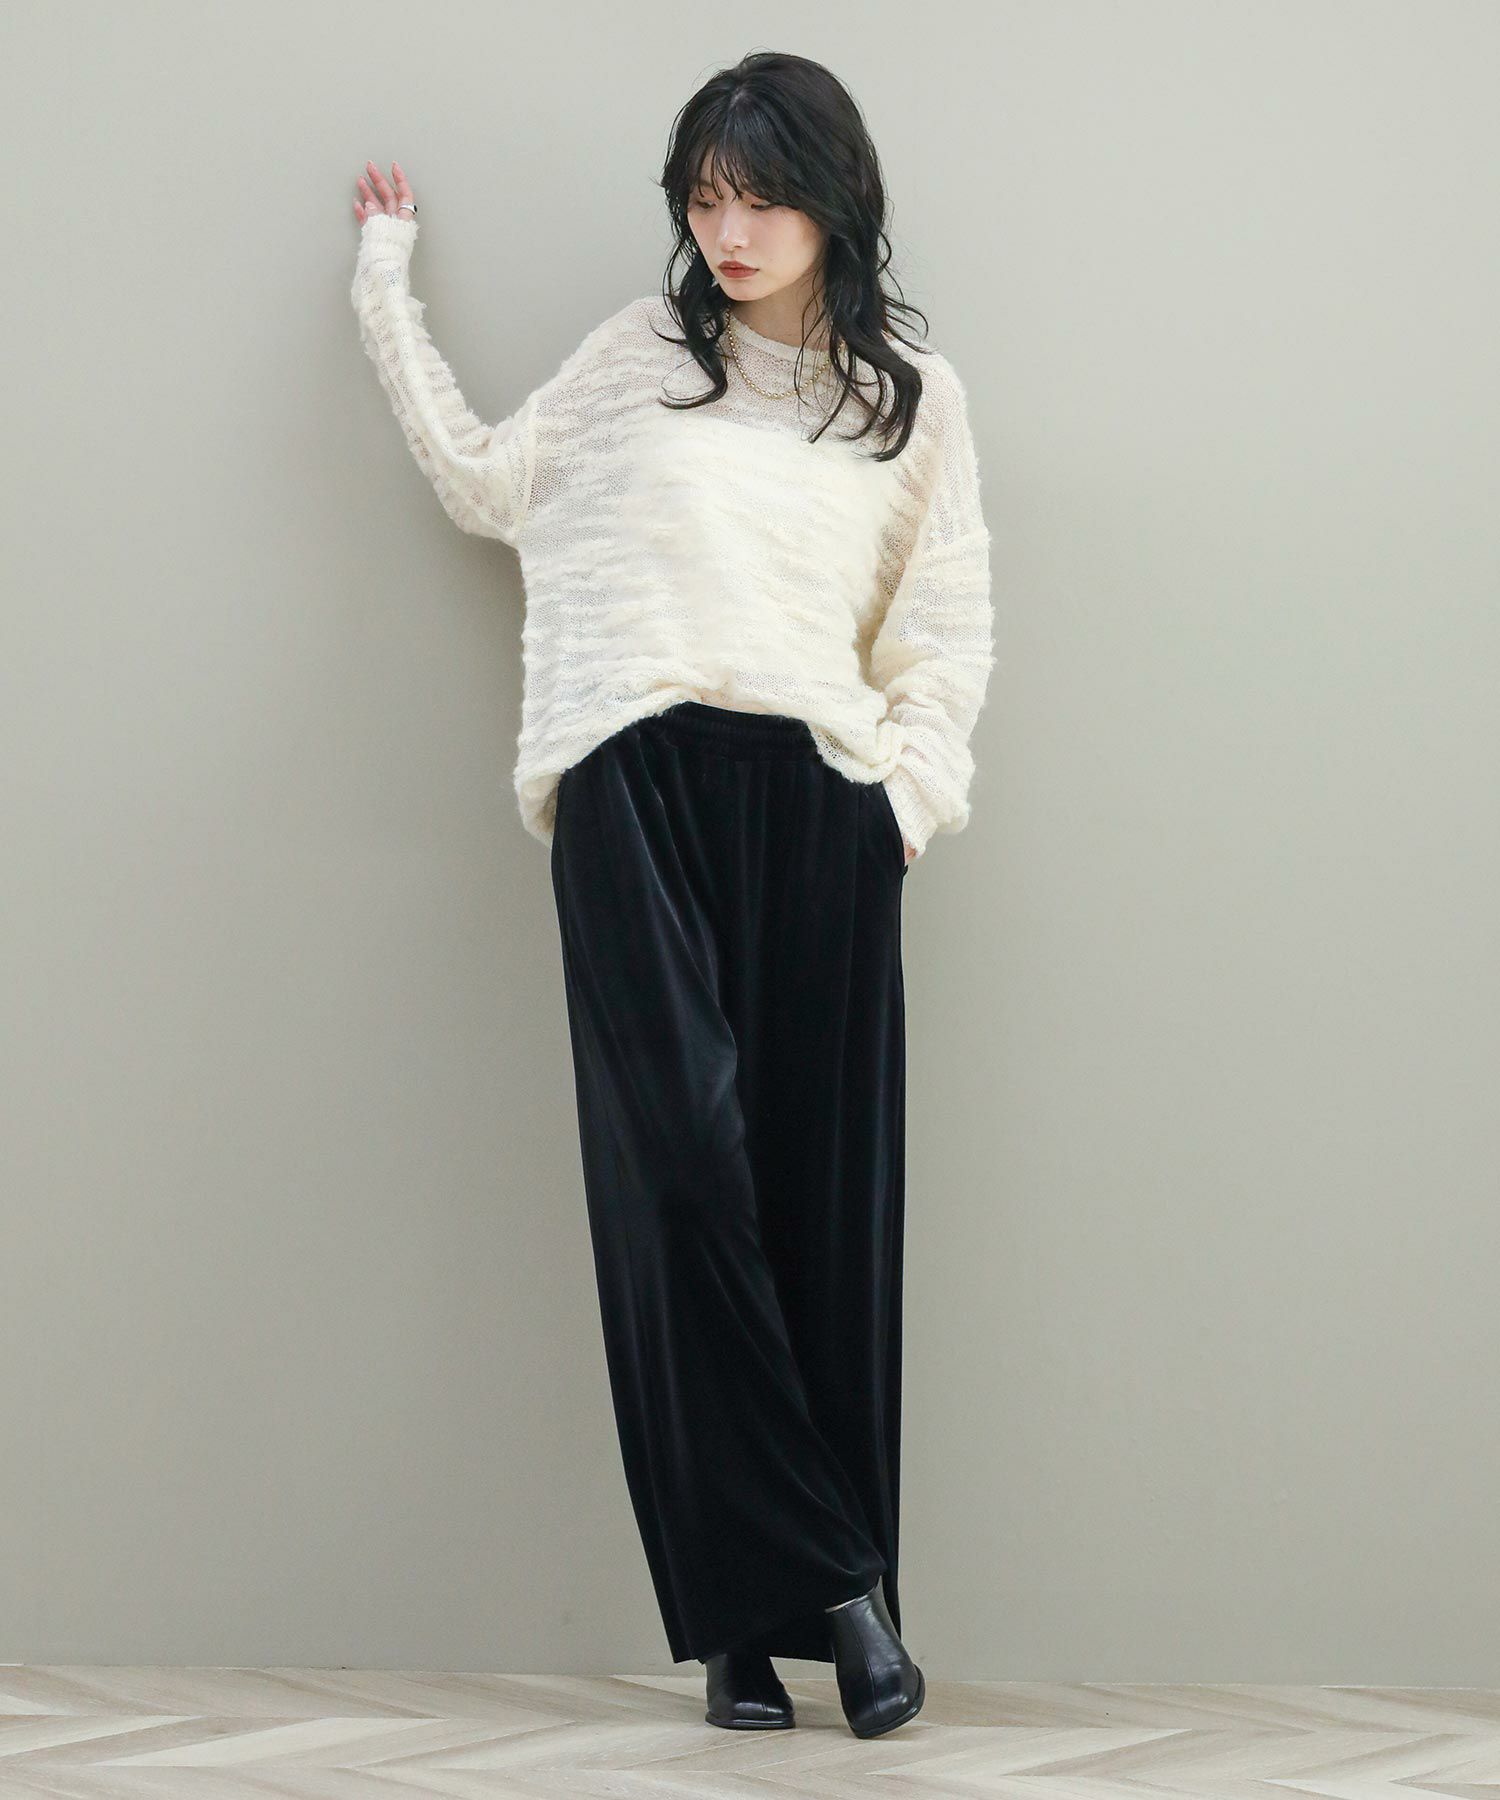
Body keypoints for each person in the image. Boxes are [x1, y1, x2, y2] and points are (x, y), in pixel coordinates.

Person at [349, 50, 994, 1740]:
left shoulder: (913, 398)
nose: (728, 231)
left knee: (817, 1216)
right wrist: (384, 292)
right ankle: (842, 1596)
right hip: (632, 782)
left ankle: (734, 1637)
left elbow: (944, 632)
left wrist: (903, 807)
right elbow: (487, 482)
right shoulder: (640, 358)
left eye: (759, 197)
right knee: (685, 1191)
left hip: (822, 805)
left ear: (832, 200)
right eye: (704, 199)